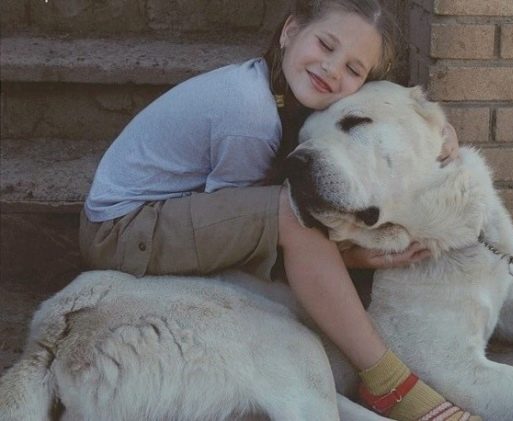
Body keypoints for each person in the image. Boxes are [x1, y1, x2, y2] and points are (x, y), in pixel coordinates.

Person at [79, 1, 474, 420]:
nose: (332, 69)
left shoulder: (278, 88)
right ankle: (386, 379)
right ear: (289, 31)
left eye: (354, 70)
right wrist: (348, 257)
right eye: (325, 45)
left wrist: (440, 130)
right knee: (289, 213)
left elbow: (392, 108)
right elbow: (243, 232)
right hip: (122, 230)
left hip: (157, 216)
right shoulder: (249, 113)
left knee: (292, 212)